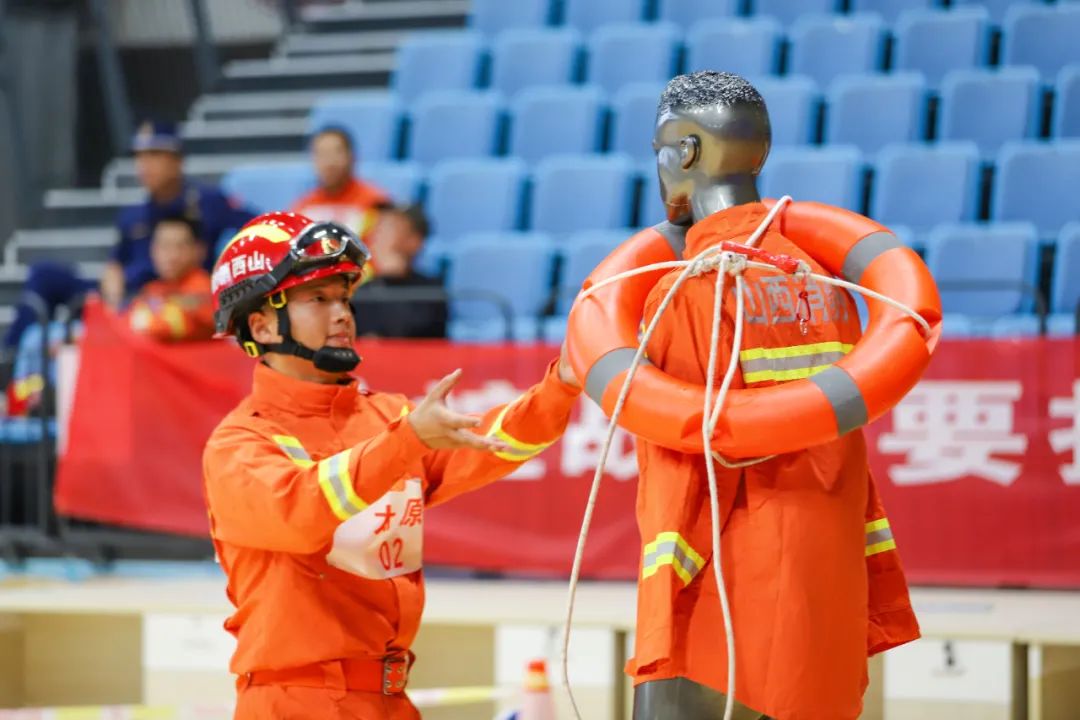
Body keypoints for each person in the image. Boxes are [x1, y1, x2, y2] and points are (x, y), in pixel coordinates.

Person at [619, 72, 921, 720]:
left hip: (723, 603)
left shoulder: (688, 291)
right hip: (822, 593)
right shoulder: (830, 285)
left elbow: (683, 469)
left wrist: (662, 613)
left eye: (660, 151)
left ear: (689, 153)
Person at [203, 211, 581, 719]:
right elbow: (301, 513)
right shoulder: (239, 444)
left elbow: (489, 444)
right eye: (318, 298)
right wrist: (405, 441)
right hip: (294, 703)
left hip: (390, 699)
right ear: (263, 324)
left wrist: (566, 381)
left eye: (344, 297)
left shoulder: (388, 416)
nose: (342, 315)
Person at [2, 120, 253, 351]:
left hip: (173, 299)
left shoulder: (207, 202)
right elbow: (116, 262)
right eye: (139, 157)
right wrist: (112, 283)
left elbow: (257, 230)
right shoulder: (133, 214)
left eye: (154, 155)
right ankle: (7, 358)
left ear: (177, 160)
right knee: (45, 275)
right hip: (126, 297)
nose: (144, 165)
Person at [353, 203, 447, 339]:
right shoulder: (361, 292)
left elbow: (417, 335)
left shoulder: (431, 291)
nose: (378, 236)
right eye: (378, 228)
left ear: (415, 241)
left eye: (390, 227)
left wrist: (391, 277)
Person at [123, 213, 215, 342]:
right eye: (164, 246)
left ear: (198, 251)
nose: (171, 256)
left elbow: (178, 326)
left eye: (180, 246)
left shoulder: (210, 289)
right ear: (153, 250)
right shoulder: (151, 289)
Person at [291, 126, 390, 239]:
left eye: (337, 152)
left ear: (352, 157)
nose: (330, 163)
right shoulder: (304, 207)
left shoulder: (376, 203)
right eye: (322, 154)